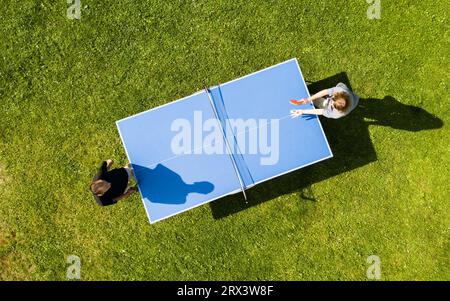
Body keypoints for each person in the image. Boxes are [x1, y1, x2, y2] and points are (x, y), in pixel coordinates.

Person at [290, 82, 359, 119]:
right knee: (341, 86)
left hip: (352, 103)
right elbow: (325, 92)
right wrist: (308, 99)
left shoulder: (335, 114)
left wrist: (303, 111)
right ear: (340, 95)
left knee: (323, 104)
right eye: (333, 99)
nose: (330, 102)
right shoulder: (341, 90)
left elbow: (321, 111)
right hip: (350, 96)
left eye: (332, 104)